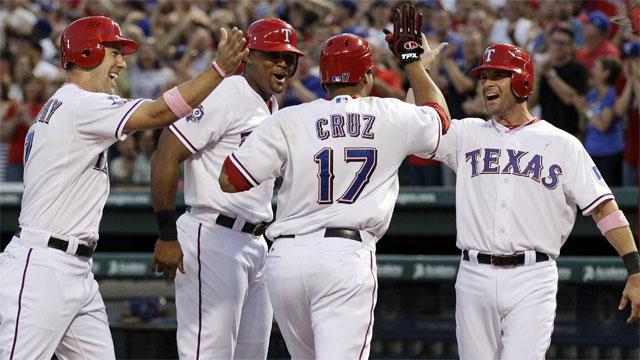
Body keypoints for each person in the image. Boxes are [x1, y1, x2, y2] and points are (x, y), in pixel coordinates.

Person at [0, 16, 247, 359]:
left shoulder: (64, 104)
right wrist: (218, 70)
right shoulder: (80, 104)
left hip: (72, 269)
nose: (122, 62)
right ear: (87, 53)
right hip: (43, 268)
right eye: (113, 51)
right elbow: (160, 114)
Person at [218, 5, 451, 358]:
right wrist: (415, 63)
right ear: (368, 77)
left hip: (286, 260)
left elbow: (230, 179)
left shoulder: (291, 118)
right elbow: (438, 118)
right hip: (344, 255)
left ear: (325, 78)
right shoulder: (388, 115)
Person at [423, 43, 640, 359]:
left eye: (498, 75)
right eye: (484, 77)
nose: (487, 84)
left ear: (522, 80)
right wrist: (419, 68)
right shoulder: (466, 133)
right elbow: (417, 124)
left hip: (532, 277)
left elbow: (604, 208)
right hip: (473, 275)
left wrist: (634, 267)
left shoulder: (561, 143)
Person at [149, 18, 304, 359]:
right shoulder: (229, 92)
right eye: (273, 55)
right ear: (249, 56)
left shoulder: (270, 104)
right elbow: (166, 151)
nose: (282, 64)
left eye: (289, 58)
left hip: (255, 242)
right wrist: (166, 233)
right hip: (214, 235)